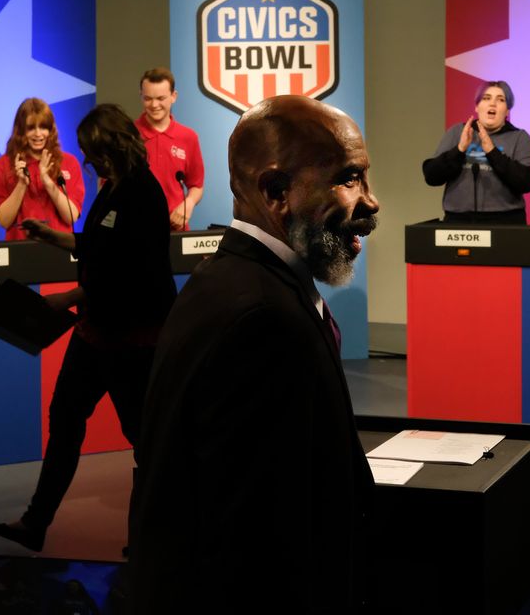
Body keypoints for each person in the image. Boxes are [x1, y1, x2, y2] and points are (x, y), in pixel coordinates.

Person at [128, 95, 378, 612]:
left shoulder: (232, 282)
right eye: (349, 178)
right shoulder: (263, 319)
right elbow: (258, 543)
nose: (370, 202)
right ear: (276, 192)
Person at [0, 104, 175, 554]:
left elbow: (135, 275)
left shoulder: (144, 195)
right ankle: (35, 523)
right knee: (66, 420)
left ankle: (149, 544)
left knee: (144, 441)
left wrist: (69, 298)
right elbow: (98, 247)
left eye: (93, 153)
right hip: (97, 332)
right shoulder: (115, 189)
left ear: (111, 147)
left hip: (133, 339)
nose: (88, 162)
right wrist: (50, 235)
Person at [422, 80, 530, 222]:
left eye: (500, 100)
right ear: (477, 106)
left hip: (506, 221)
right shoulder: (458, 132)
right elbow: (431, 176)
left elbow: (526, 182)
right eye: (486, 98)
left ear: (507, 110)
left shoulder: (520, 137)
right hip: (459, 222)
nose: (492, 104)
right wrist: (459, 149)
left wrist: (492, 152)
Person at [0, 98, 85, 240]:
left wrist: (47, 182)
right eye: (31, 128)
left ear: (50, 129)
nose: (38, 134)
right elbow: (4, 221)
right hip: (20, 250)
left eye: (43, 127)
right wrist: (21, 184)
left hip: (60, 248)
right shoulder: (3, 165)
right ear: (20, 130)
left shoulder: (69, 162)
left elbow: (71, 217)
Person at [133, 67, 204, 231]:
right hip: (136, 230)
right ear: (141, 96)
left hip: (175, 229)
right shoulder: (128, 135)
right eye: (148, 98)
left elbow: (197, 185)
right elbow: (109, 184)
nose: (154, 105)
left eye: (160, 98)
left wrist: (189, 204)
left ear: (174, 97)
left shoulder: (188, 137)